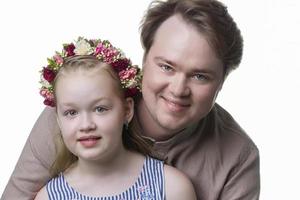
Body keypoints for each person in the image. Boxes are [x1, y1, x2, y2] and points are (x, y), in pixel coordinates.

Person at [1, 0, 260, 199]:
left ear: (222, 81)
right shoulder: (80, 110)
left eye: (200, 76)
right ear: (145, 59)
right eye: (167, 67)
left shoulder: (238, 158)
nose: (179, 89)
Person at [33, 37, 196, 200]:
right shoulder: (50, 197)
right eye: (71, 112)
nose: (86, 125)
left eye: (100, 109)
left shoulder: (170, 187)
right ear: (59, 120)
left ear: (127, 110)